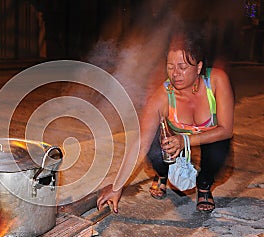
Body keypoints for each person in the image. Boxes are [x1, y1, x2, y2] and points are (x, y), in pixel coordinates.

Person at [97, 25, 234, 213]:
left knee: (220, 145)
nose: (175, 73)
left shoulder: (217, 80)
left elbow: (226, 129)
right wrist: (117, 186)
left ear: (199, 67)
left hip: (207, 139)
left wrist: (186, 140)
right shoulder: (163, 96)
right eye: (170, 66)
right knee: (154, 146)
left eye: (182, 67)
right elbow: (140, 143)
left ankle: (204, 185)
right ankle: (162, 174)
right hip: (172, 142)